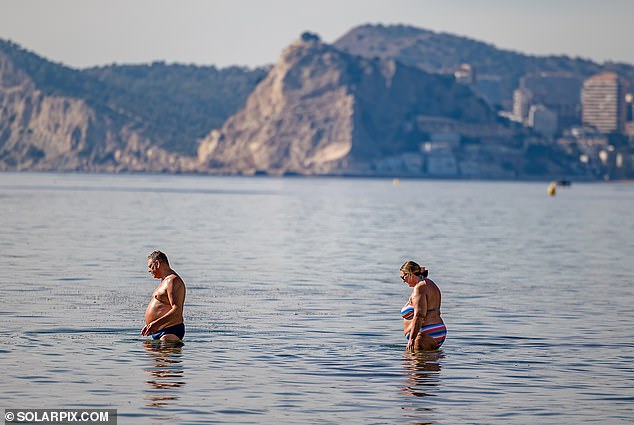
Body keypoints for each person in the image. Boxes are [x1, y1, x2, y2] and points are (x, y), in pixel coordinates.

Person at [400, 260, 446, 351]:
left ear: (410, 274)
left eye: (403, 277)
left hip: (425, 333)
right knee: (431, 363)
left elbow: (419, 315)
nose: (403, 281)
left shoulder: (420, 288)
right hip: (436, 331)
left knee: (415, 364)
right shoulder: (429, 283)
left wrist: (412, 339)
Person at [141, 251, 186, 342]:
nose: (149, 270)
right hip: (159, 330)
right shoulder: (164, 281)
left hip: (170, 331)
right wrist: (151, 325)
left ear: (157, 263)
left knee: (165, 353)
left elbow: (177, 309)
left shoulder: (173, 281)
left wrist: (155, 324)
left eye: (150, 266)